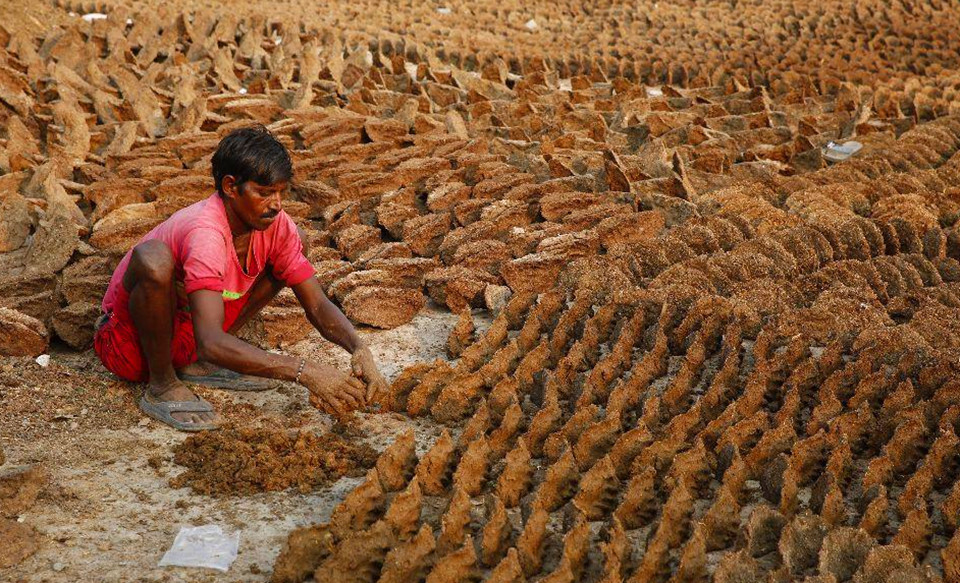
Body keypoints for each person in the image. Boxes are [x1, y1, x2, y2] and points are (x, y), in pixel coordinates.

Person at [93, 125, 388, 431]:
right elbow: (209, 341)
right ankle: (163, 384)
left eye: (280, 192)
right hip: (133, 347)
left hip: (191, 336)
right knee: (153, 258)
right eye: (264, 192)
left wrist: (357, 347)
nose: (276, 204)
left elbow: (316, 303)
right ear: (231, 187)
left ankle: (203, 366)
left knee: (295, 240)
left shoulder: (275, 224)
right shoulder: (205, 232)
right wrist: (305, 371)